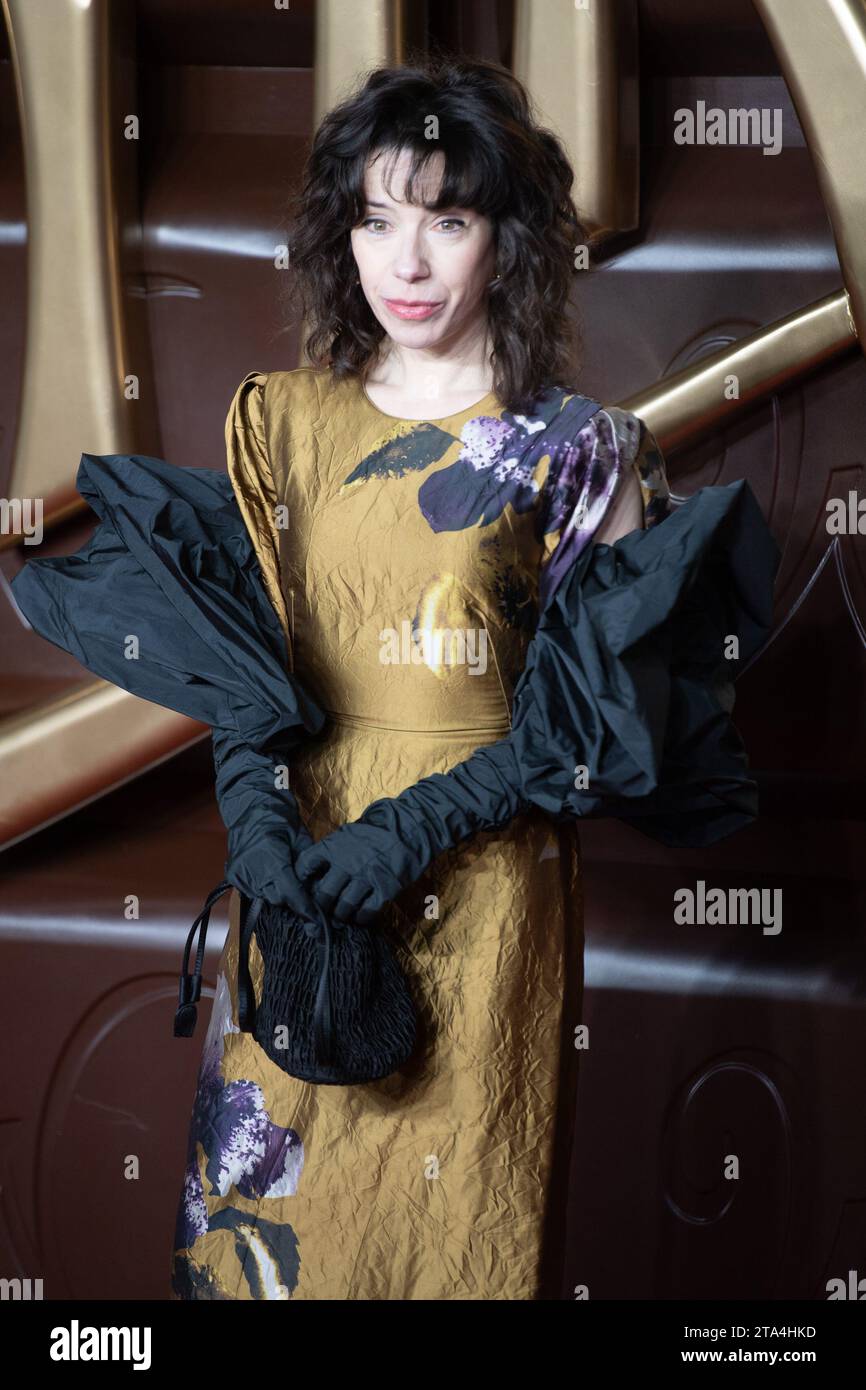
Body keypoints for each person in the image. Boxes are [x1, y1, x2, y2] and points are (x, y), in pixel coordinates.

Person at [10, 55, 778, 1302]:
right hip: (302, 874)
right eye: (374, 218)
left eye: (447, 219)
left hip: (480, 885)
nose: (404, 262)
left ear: (509, 240)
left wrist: (416, 824)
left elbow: (592, 717)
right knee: (264, 1244)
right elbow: (243, 658)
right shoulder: (281, 421)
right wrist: (255, 822)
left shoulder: (582, 449)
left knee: (447, 1244)